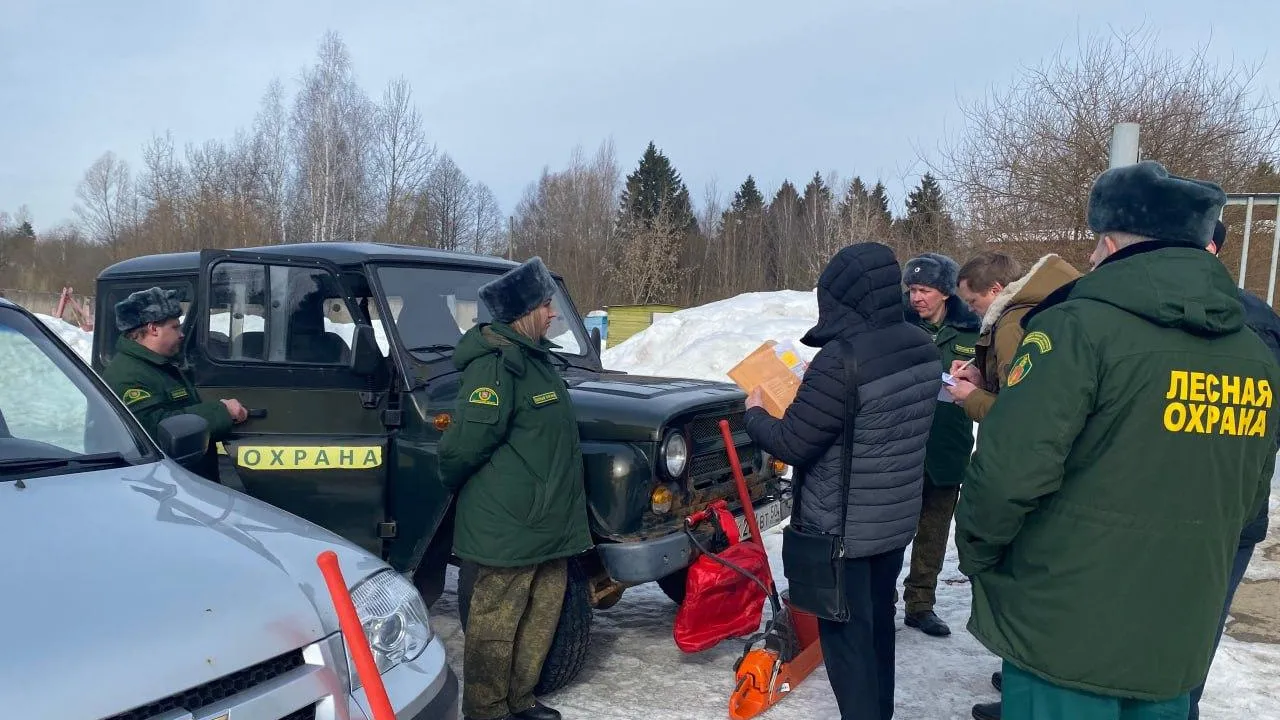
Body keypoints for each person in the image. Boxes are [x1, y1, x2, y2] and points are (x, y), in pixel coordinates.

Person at [954, 160, 1280, 719]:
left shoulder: (1075, 328)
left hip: (1066, 622)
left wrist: (980, 551)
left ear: (1108, 242)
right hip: (1178, 626)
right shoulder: (1252, 353)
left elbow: (1010, 471)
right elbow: (1250, 496)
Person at [743, 241, 942, 720]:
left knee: (847, 640)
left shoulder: (841, 359)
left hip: (841, 529)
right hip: (891, 521)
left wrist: (754, 414)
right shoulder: (919, 344)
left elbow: (792, 442)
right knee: (876, 629)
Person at [438, 256, 592, 720]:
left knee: (539, 615)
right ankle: (487, 710)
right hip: (509, 523)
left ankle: (519, 700)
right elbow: (464, 445)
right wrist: (453, 482)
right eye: (547, 306)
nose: (553, 314)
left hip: (548, 522)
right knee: (496, 623)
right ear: (525, 312)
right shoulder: (496, 365)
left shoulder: (536, 360)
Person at [948, 251, 1082, 720]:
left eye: (971, 302)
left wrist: (971, 397)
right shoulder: (1054, 310)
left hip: (1029, 482)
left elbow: (1017, 418)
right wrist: (985, 379)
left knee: (1020, 587)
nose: (971, 312)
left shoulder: (1011, 324)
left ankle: (1022, 692)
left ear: (993, 292)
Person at [1187, 220, 1280, 720]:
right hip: (1220, 507)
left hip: (1221, 509)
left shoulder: (1248, 321)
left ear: (1208, 248)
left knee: (1189, 635)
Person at [900, 252, 980, 637]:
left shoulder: (972, 330)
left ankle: (920, 604)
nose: (917, 297)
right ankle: (879, 600)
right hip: (901, 446)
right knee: (892, 529)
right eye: (913, 289)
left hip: (948, 445)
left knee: (933, 531)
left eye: (925, 290)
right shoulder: (896, 327)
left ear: (945, 292)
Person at [102, 286, 247, 482]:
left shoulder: (156, 365)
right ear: (153, 328)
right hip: (160, 484)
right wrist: (221, 412)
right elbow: (153, 429)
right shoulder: (128, 375)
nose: (181, 334)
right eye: (175, 327)